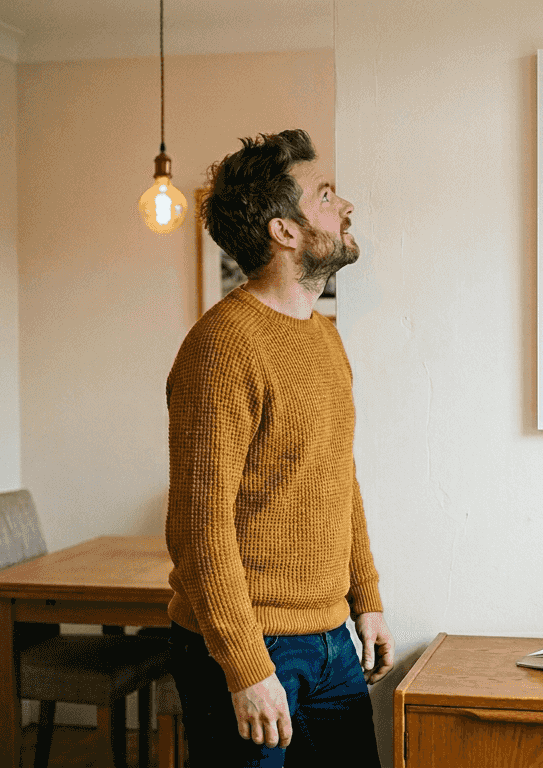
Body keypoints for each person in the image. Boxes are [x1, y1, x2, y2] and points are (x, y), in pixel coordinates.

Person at [164, 128, 393, 767]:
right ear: (284, 231)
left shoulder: (324, 338)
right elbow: (197, 527)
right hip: (251, 646)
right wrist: (243, 665)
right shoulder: (222, 346)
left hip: (331, 642)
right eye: (325, 197)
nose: (345, 206)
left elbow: (337, 479)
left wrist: (365, 598)